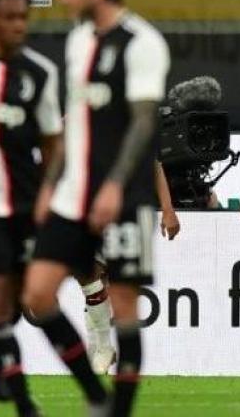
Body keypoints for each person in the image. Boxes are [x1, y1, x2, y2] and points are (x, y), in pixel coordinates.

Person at [21, 0, 170, 416]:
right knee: (38, 295)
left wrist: (115, 186)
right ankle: (94, 392)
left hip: (124, 198)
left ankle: (117, 410)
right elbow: (77, 122)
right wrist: (50, 185)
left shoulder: (142, 41)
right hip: (71, 195)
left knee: (125, 307)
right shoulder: (79, 40)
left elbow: (143, 124)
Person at [0, 0, 64, 415]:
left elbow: (53, 144)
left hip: (24, 205)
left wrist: (49, 194)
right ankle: (17, 399)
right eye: (9, 16)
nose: (18, 25)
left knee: (25, 304)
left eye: (24, 17)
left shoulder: (39, 73)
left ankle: (1, 369)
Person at [81, 160, 180, 375]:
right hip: (91, 204)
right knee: (88, 275)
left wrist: (167, 209)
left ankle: (105, 350)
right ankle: (101, 346)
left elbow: (154, 162)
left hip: (128, 207)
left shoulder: (135, 127)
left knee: (118, 290)